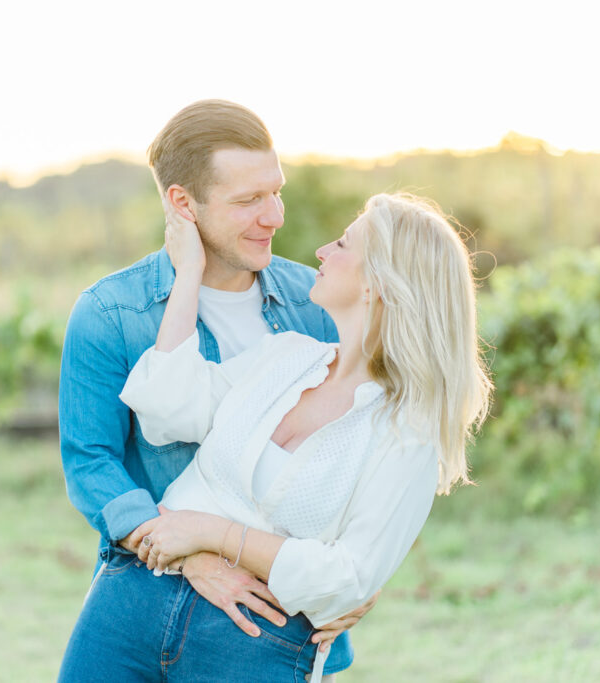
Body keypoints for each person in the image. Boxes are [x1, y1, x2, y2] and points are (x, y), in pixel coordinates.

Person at [58, 191, 493, 682]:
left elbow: (347, 577)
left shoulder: (408, 430)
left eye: (343, 244)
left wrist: (211, 532)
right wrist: (188, 274)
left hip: (252, 639)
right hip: (135, 600)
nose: (322, 252)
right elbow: (166, 406)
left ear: (377, 283)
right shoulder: (286, 355)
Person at [58, 100, 369, 679]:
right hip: (143, 597)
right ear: (183, 203)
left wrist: (363, 570)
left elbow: (373, 439)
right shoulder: (109, 312)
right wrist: (191, 552)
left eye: (276, 191)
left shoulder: (318, 303)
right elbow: (90, 461)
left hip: (275, 614)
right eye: (249, 201)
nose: (275, 216)